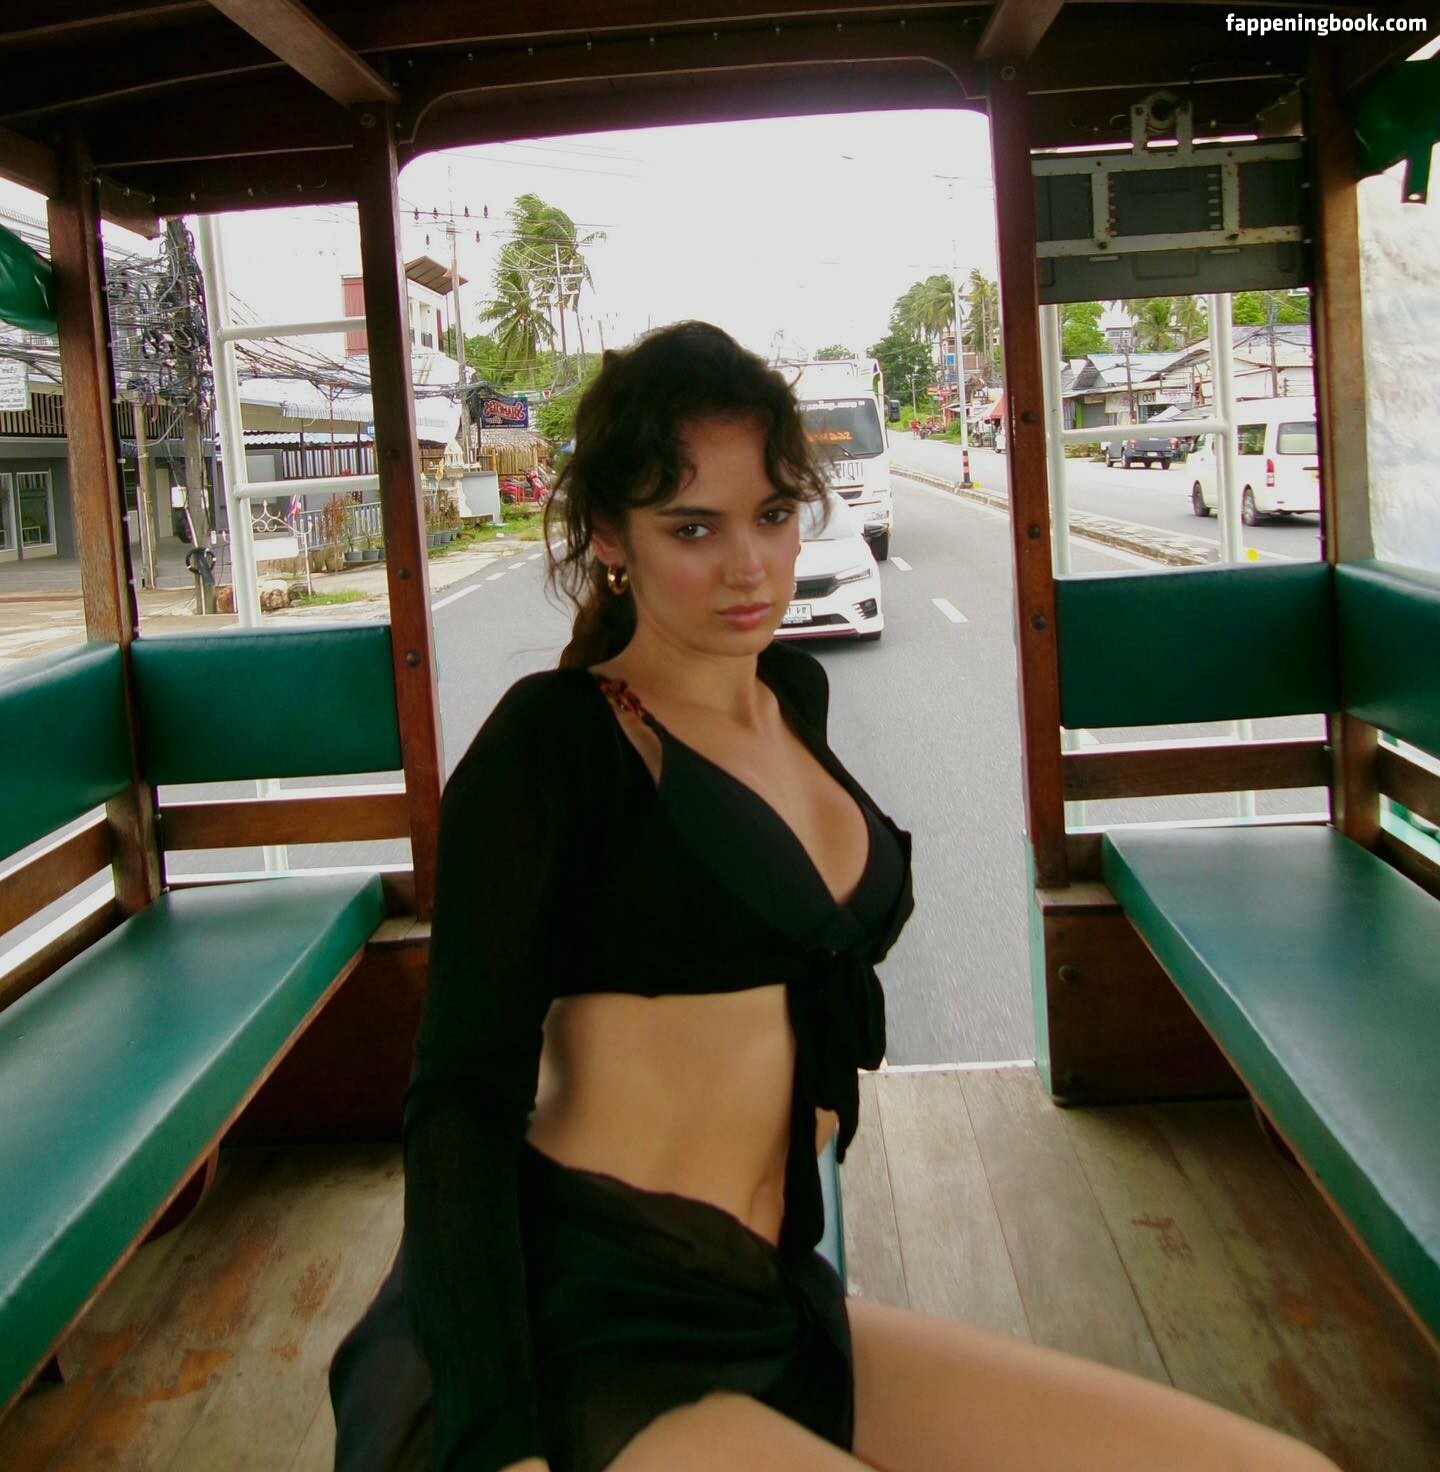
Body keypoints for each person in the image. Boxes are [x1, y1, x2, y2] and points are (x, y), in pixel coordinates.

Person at [330, 322, 1339, 1472]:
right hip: (592, 1326)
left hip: (771, 1297)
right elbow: (458, 1101)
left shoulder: (792, 695)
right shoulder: (553, 744)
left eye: (771, 513)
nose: (750, 566)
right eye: (692, 527)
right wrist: (497, 1441)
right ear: (610, 535)